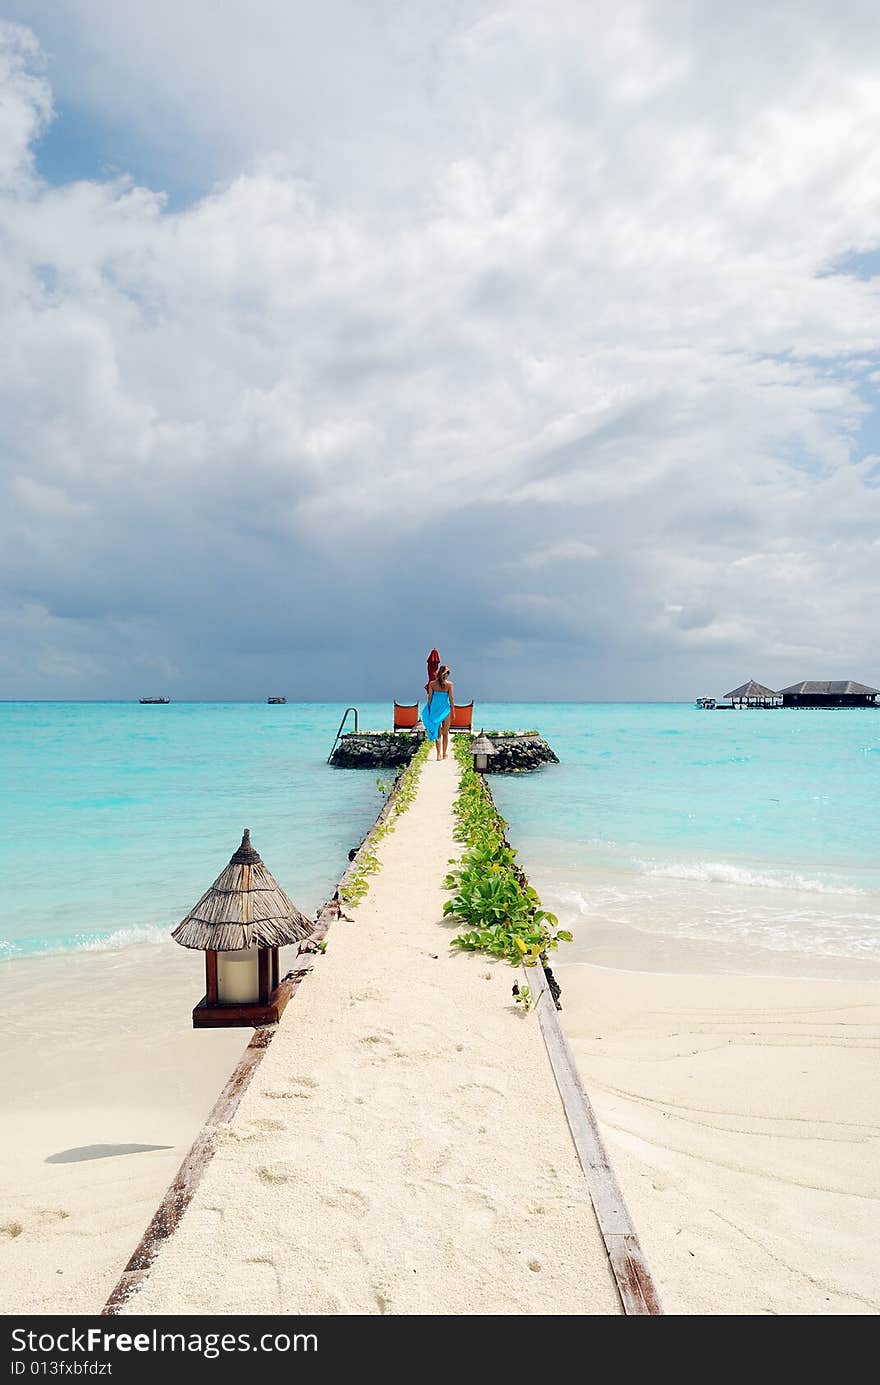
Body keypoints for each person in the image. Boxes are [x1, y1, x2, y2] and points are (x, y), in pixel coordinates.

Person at [422, 664, 455, 760]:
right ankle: (444, 754)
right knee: (445, 733)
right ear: (446, 674)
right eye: (447, 673)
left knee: (437, 732)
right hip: (445, 710)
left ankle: (438, 754)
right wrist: (453, 711)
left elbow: (430, 697)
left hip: (435, 710)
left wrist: (428, 709)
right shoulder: (449, 684)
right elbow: (451, 698)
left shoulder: (432, 684)